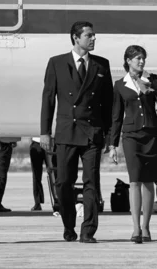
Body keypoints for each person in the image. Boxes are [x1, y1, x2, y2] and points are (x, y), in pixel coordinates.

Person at [39, 21, 113, 243]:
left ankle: (88, 230)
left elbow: (107, 102)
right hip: (66, 131)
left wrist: (108, 134)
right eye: (89, 35)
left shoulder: (101, 65)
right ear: (75, 37)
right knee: (63, 182)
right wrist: (45, 132)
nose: (93, 39)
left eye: (94, 35)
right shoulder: (57, 63)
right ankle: (68, 223)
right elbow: (48, 99)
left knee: (92, 182)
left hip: (91, 131)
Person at [109, 45, 157, 243]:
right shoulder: (120, 85)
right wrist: (112, 144)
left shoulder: (153, 81)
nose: (141, 61)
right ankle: (135, 228)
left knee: (148, 181)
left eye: (143, 58)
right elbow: (116, 116)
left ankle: (147, 227)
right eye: (138, 58)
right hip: (131, 136)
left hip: (151, 134)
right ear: (128, 60)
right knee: (134, 180)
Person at [29, 137, 46, 211]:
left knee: (54, 174)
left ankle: (58, 202)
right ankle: (37, 202)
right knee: (36, 176)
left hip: (51, 142)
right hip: (36, 142)